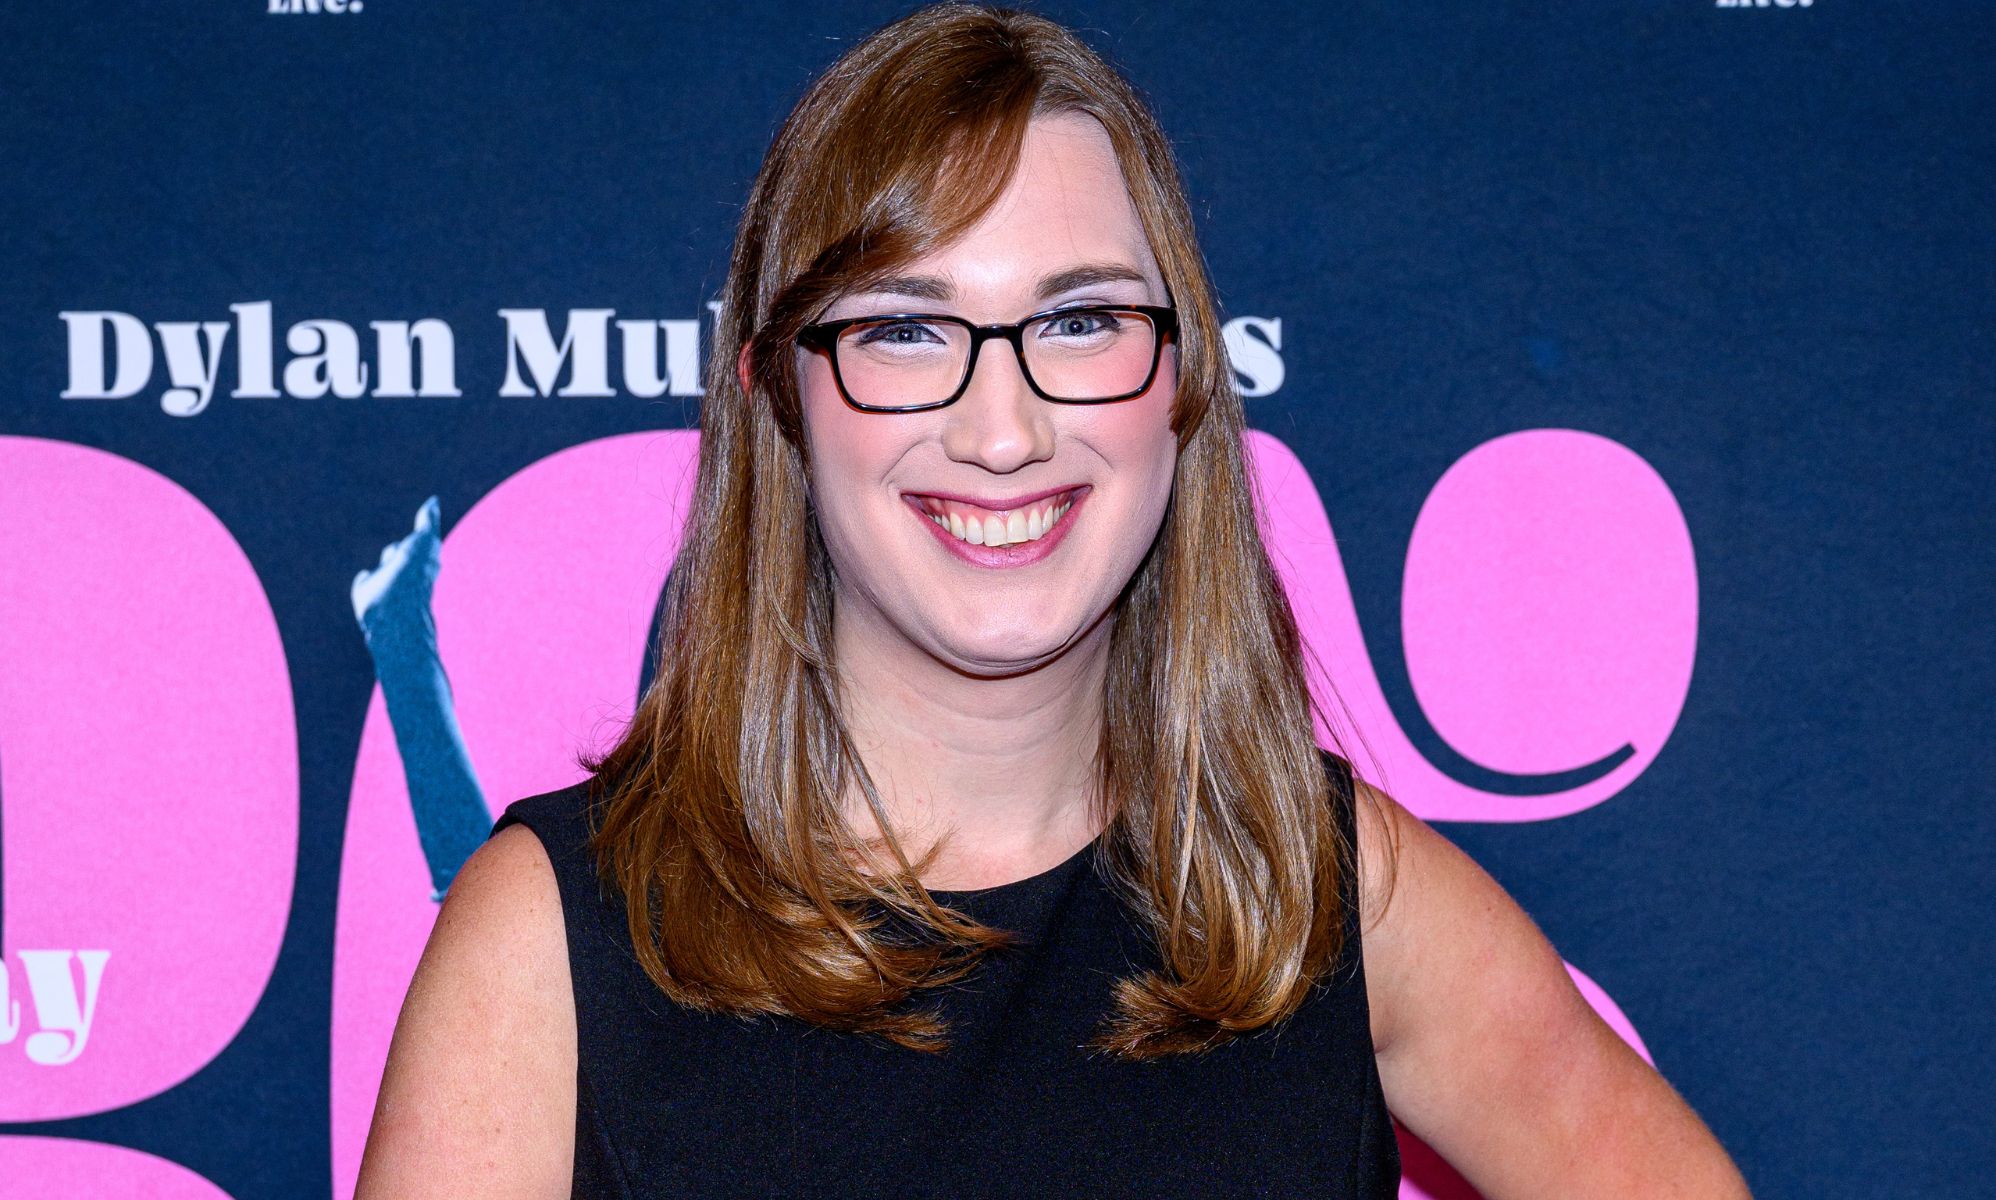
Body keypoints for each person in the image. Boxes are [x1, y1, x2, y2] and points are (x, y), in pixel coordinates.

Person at [355, 4, 1753, 1196]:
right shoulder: (550, 943)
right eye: (907, 330)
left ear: (1181, 381)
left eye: (1080, 321)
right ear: (779, 395)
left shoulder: (1325, 894)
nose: (1003, 430)